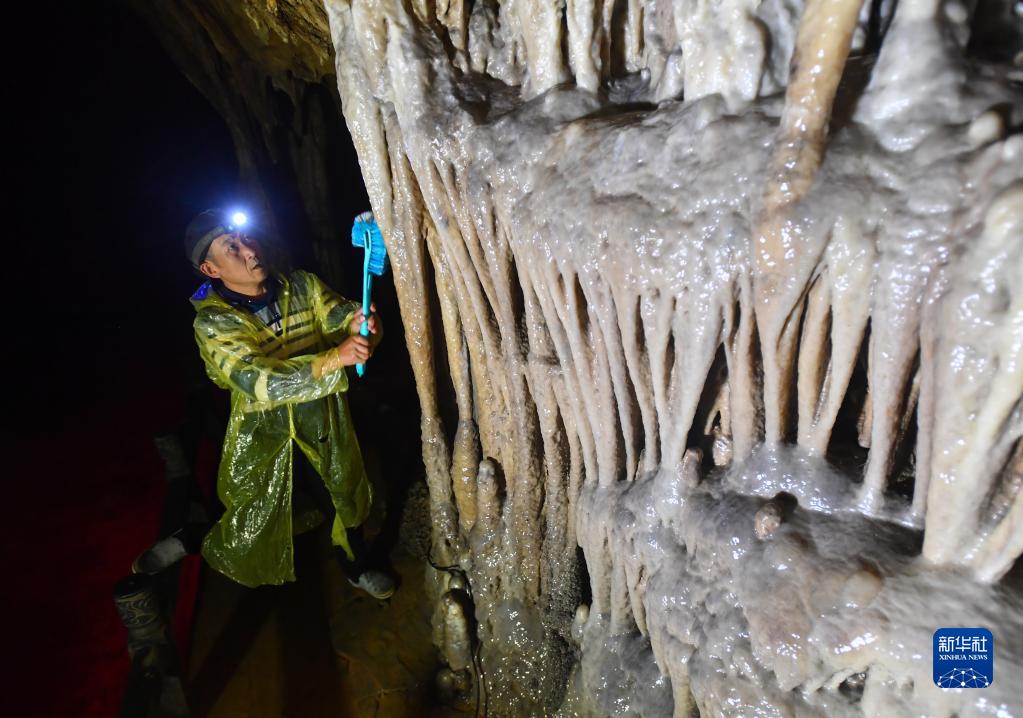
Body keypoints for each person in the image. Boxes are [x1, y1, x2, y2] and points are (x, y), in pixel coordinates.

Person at [133, 208, 395, 599]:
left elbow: (339, 316)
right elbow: (261, 382)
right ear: (210, 269)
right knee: (253, 517)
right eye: (231, 247)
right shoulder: (213, 324)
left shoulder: (301, 285)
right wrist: (334, 358)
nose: (249, 250)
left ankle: (356, 567)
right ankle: (193, 539)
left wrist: (362, 324)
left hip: (322, 421)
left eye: (247, 238)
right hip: (265, 435)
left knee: (342, 496)